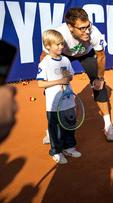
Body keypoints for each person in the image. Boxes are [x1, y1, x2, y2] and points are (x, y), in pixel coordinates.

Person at [41, 7, 113, 143]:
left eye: (87, 26)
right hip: (63, 55)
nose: (87, 31)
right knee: (55, 89)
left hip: (86, 54)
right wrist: (49, 80)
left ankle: (108, 126)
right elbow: (45, 57)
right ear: (70, 27)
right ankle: (52, 129)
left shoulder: (94, 33)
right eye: (82, 28)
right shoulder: (59, 34)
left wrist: (100, 78)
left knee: (99, 85)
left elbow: (100, 56)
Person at [37, 29, 81, 164]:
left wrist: (67, 77)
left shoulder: (66, 60)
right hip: (53, 105)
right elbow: (40, 83)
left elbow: (70, 76)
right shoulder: (44, 63)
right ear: (48, 46)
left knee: (70, 125)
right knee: (55, 130)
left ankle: (69, 147)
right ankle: (56, 152)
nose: (61, 47)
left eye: (62, 44)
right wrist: (59, 81)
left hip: (68, 102)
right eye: (58, 44)